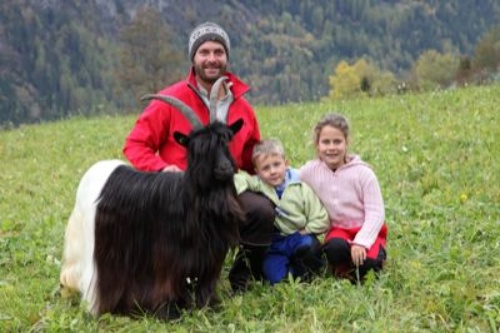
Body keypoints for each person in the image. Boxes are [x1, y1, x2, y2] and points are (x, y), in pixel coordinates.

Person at [123, 21, 275, 293]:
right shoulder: (169, 101)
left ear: (226, 57)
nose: (212, 59)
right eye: (204, 52)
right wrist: (161, 169)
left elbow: (254, 154)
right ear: (193, 57)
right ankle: (177, 276)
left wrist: (280, 174)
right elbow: (135, 145)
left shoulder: (242, 107)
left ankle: (243, 275)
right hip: (182, 193)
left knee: (262, 210)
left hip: (226, 191)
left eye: (218, 51)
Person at [299, 113, 388, 283]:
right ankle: (345, 274)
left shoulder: (363, 173)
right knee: (334, 248)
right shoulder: (310, 172)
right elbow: (289, 180)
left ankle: (371, 260)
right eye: (326, 142)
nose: (331, 147)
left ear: (347, 143)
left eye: (337, 142)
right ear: (317, 145)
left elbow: (376, 213)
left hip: (366, 231)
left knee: (369, 265)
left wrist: (361, 242)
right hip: (338, 232)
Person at [234, 139, 329, 285]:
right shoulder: (259, 184)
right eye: (266, 168)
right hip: (275, 243)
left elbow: (321, 218)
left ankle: (306, 275)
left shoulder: (300, 186)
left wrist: (307, 230)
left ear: (286, 163)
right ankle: (286, 275)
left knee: (310, 249)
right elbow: (242, 179)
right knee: (276, 279)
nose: (273, 171)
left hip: (299, 236)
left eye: (277, 165)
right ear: (257, 172)